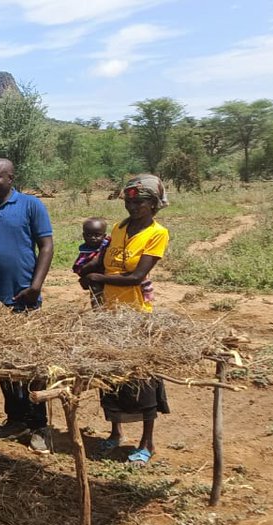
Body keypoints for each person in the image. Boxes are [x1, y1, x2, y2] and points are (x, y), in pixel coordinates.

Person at [0, 158, 55, 453]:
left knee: (30, 363)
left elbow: (47, 245)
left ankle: (39, 425)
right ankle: (15, 419)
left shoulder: (30, 205)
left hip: (22, 299)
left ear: (11, 178)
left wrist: (36, 286)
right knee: (2, 363)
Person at [82, 174, 171, 466]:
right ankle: (115, 433)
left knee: (142, 379)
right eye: (130, 201)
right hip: (108, 313)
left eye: (140, 202)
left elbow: (136, 276)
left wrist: (97, 276)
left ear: (154, 205)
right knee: (110, 376)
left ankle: (147, 442)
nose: (133, 206)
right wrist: (85, 269)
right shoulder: (119, 228)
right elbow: (103, 259)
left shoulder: (157, 233)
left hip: (136, 315)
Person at [74, 218, 109, 308]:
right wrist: (93, 264)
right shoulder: (86, 251)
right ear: (84, 236)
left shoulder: (108, 245)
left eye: (97, 235)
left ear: (104, 235)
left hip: (109, 276)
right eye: (89, 235)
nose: (93, 238)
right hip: (94, 279)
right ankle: (97, 311)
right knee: (95, 290)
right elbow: (79, 268)